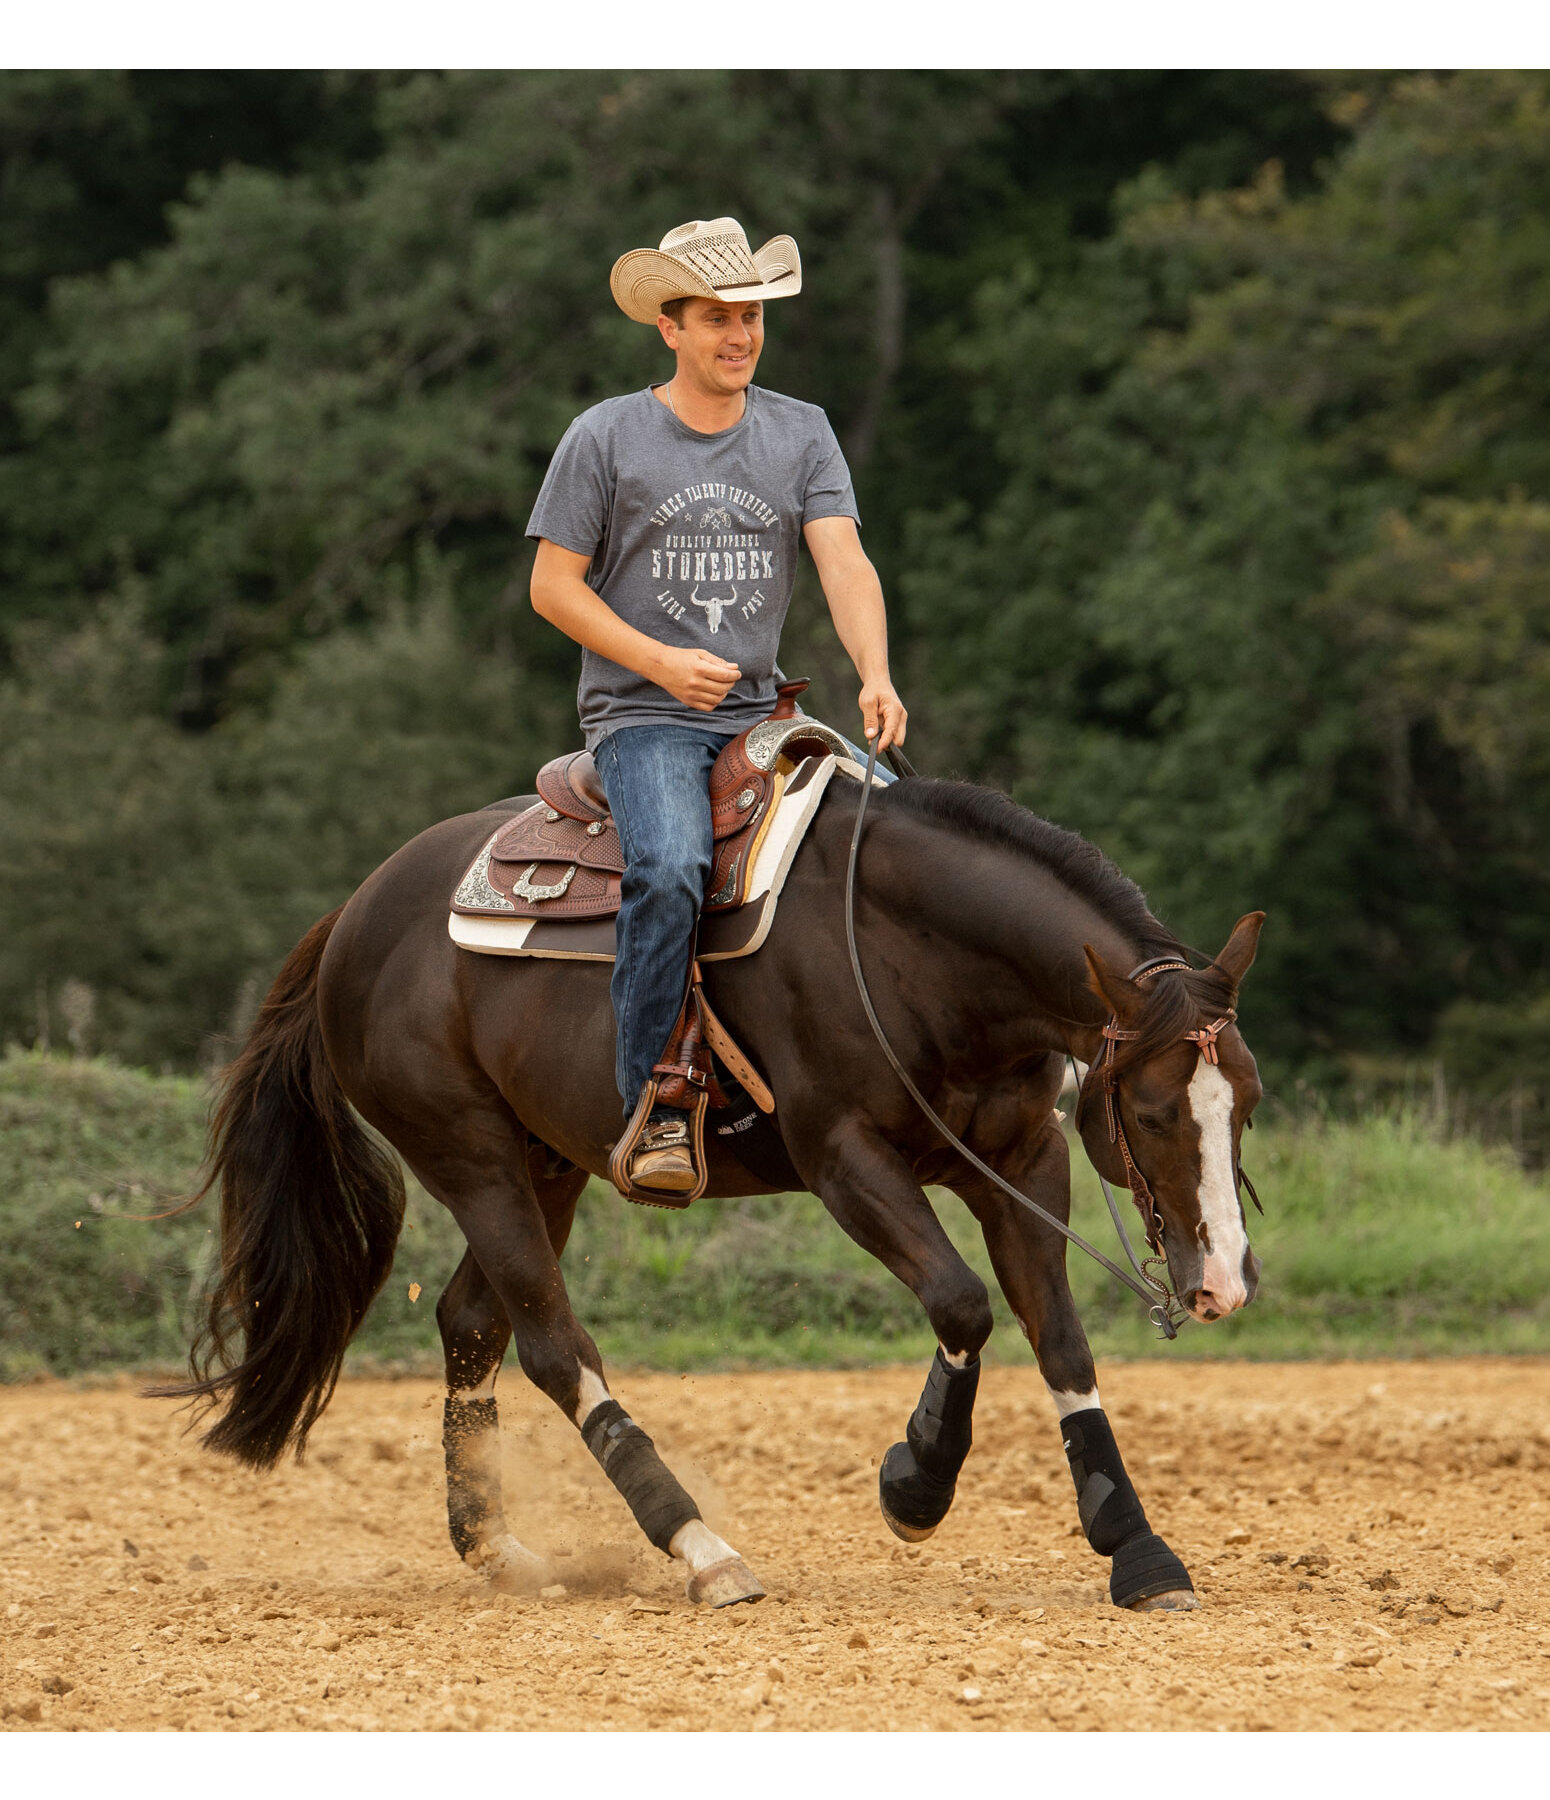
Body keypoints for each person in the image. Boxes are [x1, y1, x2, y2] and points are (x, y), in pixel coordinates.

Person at [526, 216, 907, 1193]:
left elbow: (842, 559)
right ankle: (653, 1096)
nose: (737, 336)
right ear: (670, 327)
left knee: (897, 827)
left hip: (754, 715)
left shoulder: (799, 430)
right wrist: (656, 660)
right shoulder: (604, 436)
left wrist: (873, 669)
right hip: (644, 719)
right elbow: (552, 589)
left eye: (750, 317)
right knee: (668, 865)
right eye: (715, 318)